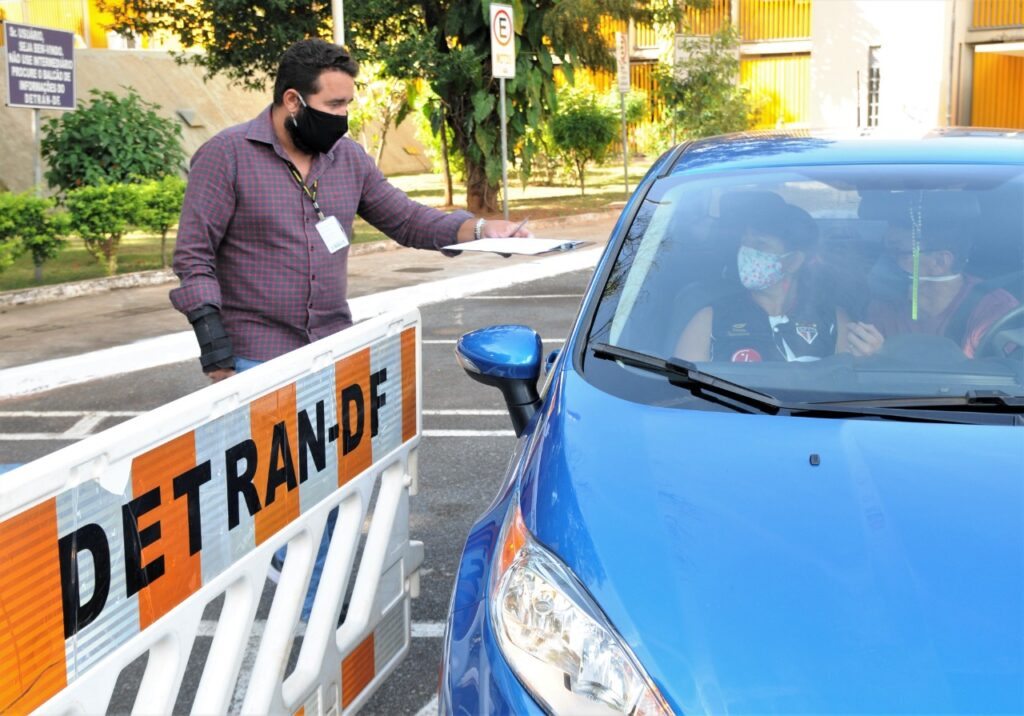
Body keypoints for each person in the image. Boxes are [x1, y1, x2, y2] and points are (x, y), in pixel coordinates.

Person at [171, 38, 530, 380]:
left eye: (347, 104)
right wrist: (215, 352)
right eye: (333, 105)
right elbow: (193, 255)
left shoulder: (348, 158)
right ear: (293, 100)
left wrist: (482, 231)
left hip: (334, 349)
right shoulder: (227, 156)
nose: (343, 116)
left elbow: (407, 220)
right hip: (256, 360)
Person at [675, 193, 853, 363]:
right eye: (744, 242)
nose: (746, 252)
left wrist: (870, 356)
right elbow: (684, 386)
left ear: (793, 261)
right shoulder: (710, 319)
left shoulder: (831, 319)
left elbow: (847, 383)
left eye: (760, 244)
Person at [845, 211, 1019, 359]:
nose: (884, 261)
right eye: (885, 251)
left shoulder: (994, 312)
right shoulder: (882, 307)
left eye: (898, 252)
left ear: (939, 262)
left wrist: (887, 359)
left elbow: (996, 389)